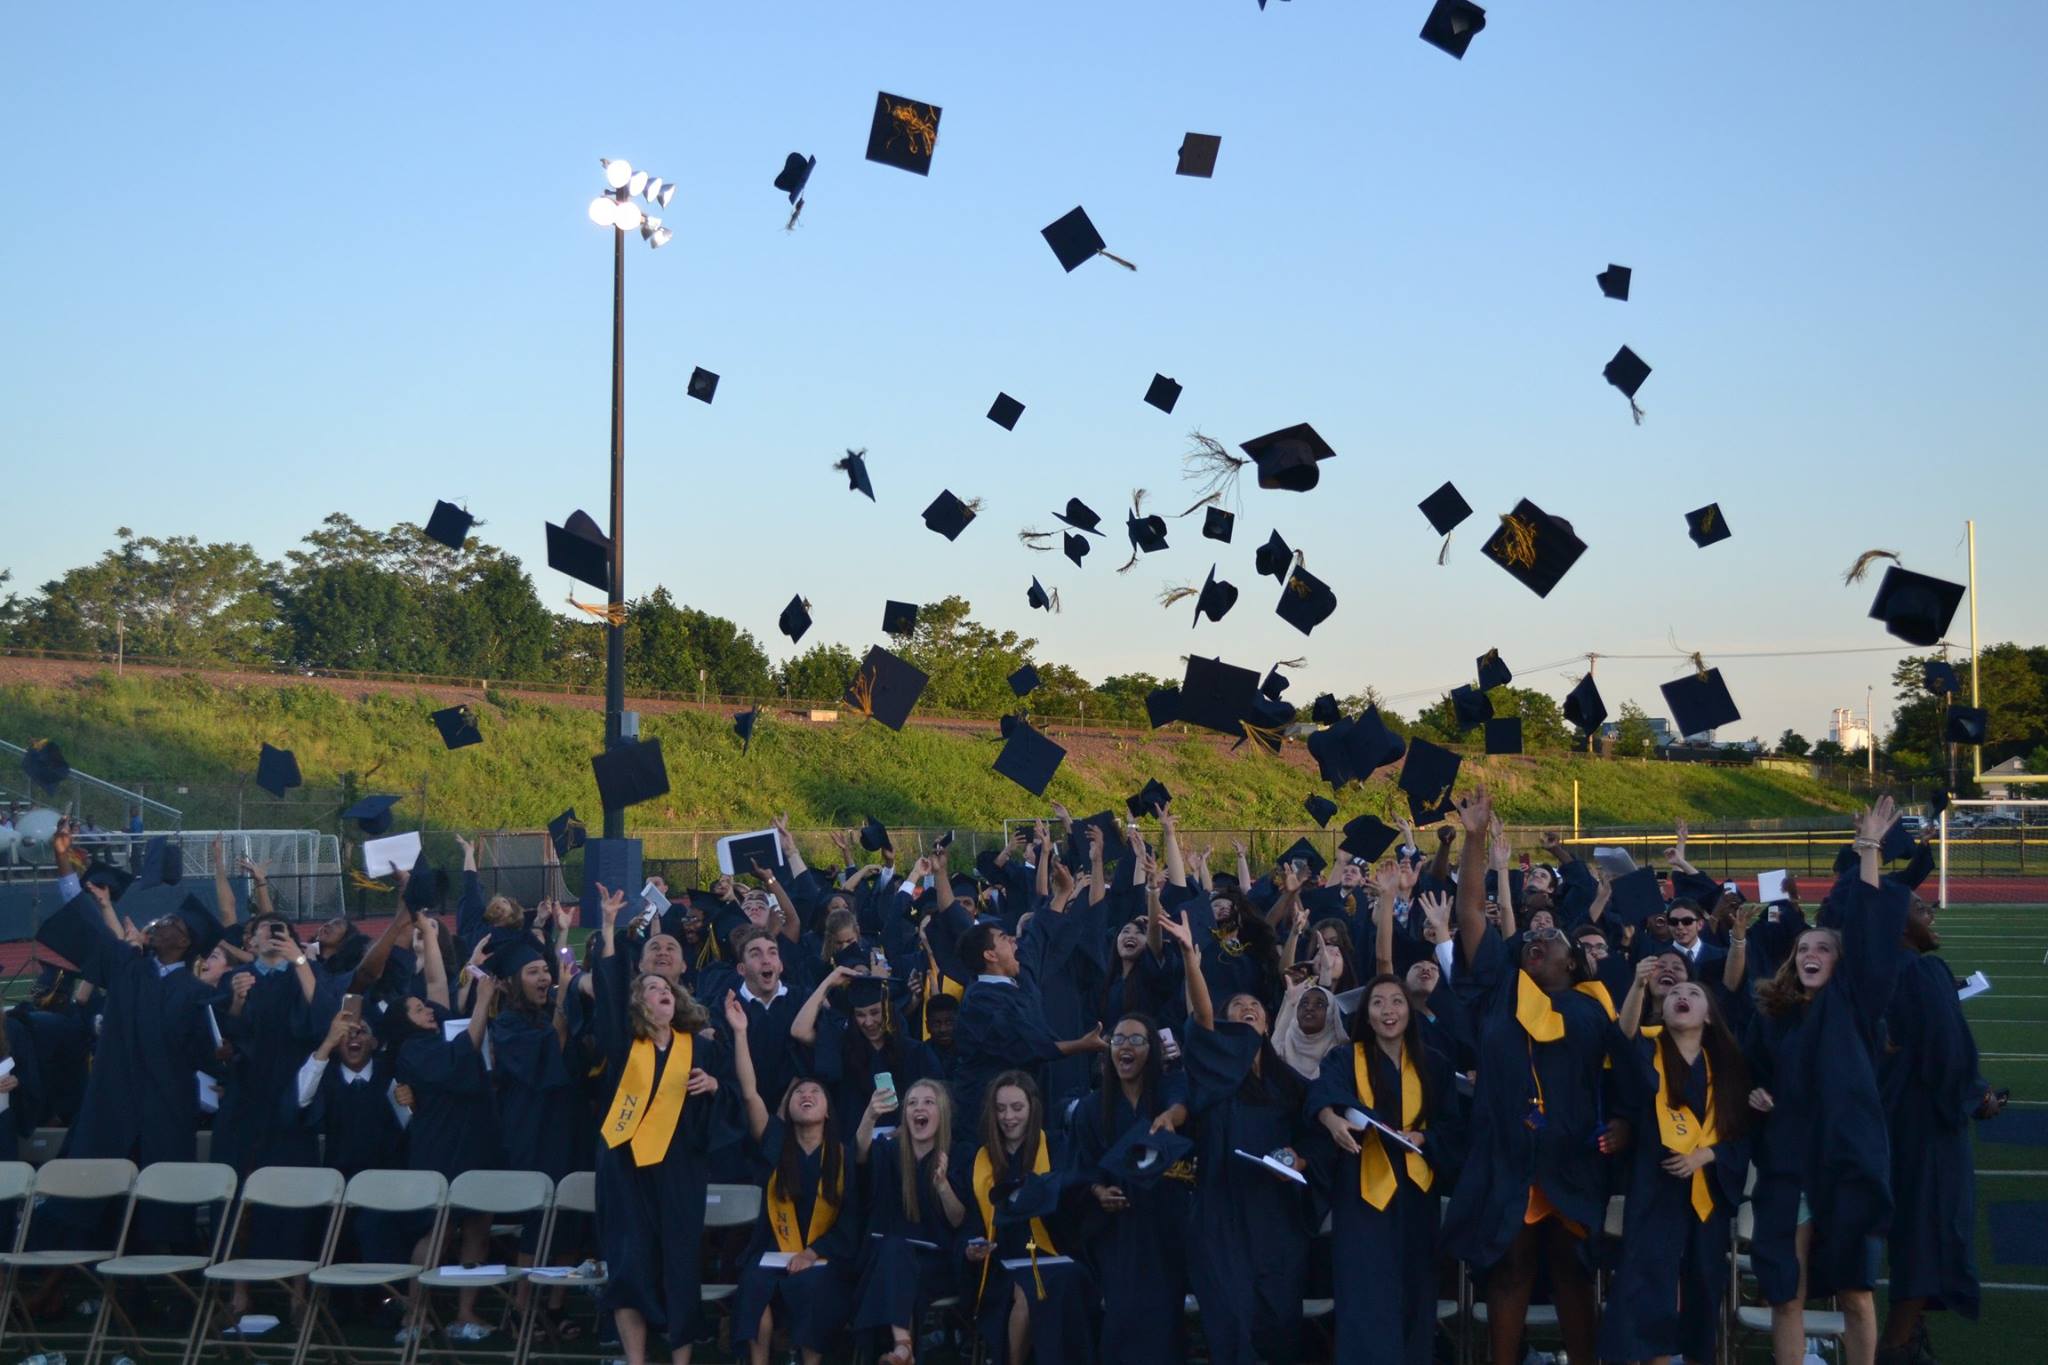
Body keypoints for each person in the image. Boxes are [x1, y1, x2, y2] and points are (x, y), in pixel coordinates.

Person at [1437, 787, 1628, 1365]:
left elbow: (1623, 1081)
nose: (1537, 940)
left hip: (1571, 1151)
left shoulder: (1595, 1008)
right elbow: (1471, 913)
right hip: (1507, 1151)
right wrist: (1473, 839)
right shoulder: (1502, 990)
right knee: (1510, 1270)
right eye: (1530, 939)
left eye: (1551, 937)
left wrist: (1620, 1120)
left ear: (1573, 960)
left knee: (1573, 1274)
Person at [1745, 797, 1909, 1365]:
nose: (1811, 952)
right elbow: (1755, 1076)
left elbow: (1869, 935)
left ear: (1842, 964)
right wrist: (1755, 1092)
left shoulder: (1856, 1007)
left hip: (1844, 1163)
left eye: (1824, 948)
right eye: (1804, 948)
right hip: (1789, 1161)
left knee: (1857, 1294)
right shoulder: (1775, 1017)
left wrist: (1868, 851)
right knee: (1785, 1290)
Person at [1159, 903, 1310, 1365]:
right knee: (1230, 1319)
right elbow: (1201, 1018)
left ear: (1267, 1022)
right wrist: (1190, 957)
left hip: (1274, 1215)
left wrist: (1298, 1160)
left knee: (1278, 1320)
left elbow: (1313, 1138)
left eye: (1255, 1007)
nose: (1247, 1008)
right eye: (1237, 1007)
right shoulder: (1213, 1070)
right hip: (1220, 1209)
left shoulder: (1291, 1082)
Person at [591, 884, 734, 1365]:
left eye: (666, 989)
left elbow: (729, 1101)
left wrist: (714, 1088)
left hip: (680, 1169)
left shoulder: (704, 1049)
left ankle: (680, 1361)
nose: (660, 992)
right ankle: (636, 1360)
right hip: (625, 1165)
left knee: (678, 1264)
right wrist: (609, 926)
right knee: (629, 1262)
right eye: (651, 987)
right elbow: (609, 991)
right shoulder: (621, 1046)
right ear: (639, 1003)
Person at [1596, 977, 1751, 1365]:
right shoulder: (1647, 1052)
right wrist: (1635, 987)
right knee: (1647, 1280)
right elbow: (1622, 1039)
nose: (1682, 996)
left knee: (1703, 1281)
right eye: (1675, 994)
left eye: (1695, 993)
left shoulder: (1730, 1067)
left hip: (1706, 1190)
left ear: (1711, 1017)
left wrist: (1707, 1156)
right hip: (1655, 1182)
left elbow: (1745, 1136)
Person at [1309, 973, 1461, 1365]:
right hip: (1362, 1193)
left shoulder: (1435, 1064)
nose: (1388, 1011)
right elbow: (1324, 1095)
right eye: (1378, 1003)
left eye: (1396, 1001)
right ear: (1367, 1013)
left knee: (1415, 1293)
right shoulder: (1345, 1058)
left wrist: (1424, 1138)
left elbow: (1453, 1125)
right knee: (1364, 1296)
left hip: (1415, 1192)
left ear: (1409, 1010)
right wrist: (1330, 1119)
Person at [1878, 890, 2003, 1364]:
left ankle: (1904, 1334)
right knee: (1929, 1228)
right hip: (1927, 1120)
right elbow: (1946, 1054)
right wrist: (1977, 1098)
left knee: (1908, 1226)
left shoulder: (1875, 971)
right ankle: (1897, 1343)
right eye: (1919, 908)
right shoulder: (1921, 971)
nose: (1931, 912)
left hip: (1888, 1116)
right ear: (1897, 925)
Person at [727, 995, 859, 1365]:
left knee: (814, 1285)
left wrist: (813, 1252)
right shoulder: (775, 1145)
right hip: (772, 1251)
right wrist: (740, 1034)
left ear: (829, 1112)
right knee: (754, 1285)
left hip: (823, 1258)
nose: (806, 1094)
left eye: (815, 1092)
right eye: (800, 1092)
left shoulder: (842, 1155)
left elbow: (849, 1223)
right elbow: (750, 1093)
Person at [1071, 1008, 1191, 1365]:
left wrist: (1170, 1118)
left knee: (1164, 1317)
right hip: (1118, 1228)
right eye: (1118, 1039)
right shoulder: (1093, 1108)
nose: (1125, 1046)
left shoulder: (1167, 1089)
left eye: (1136, 1040)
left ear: (1152, 1049)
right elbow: (1081, 1164)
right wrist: (1097, 1192)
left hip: (1165, 1222)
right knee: (1123, 1318)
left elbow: (1182, 1104)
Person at [953, 1070, 1092, 1365]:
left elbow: (1074, 1207)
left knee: (1039, 1284)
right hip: (999, 1267)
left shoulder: (1057, 1148)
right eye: (1001, 1109)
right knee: (1023, 1286)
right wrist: (971, 1247)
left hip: (1055, 1259)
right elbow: (970, 1222)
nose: (1008, 1117)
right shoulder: (979, 1160)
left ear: (1032, 1109)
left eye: (1017, 1108)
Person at [851, 1078, 966, 1363]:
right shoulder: (889, 1151)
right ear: (904, 1115)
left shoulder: (960, 1153)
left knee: (897, 1261)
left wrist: (942, 1186)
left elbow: (958, 1220)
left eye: (928, 1102)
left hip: (935, 1263)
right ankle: (903, 1346)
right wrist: (870, 1116)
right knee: (894, 1252)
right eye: (912, 1103)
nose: (919, 1108)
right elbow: (859, 1156)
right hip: (885, 1258)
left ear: (942, 1112)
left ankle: (902, 1349)